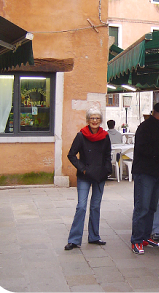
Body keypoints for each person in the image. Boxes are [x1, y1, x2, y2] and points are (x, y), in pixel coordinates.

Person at [131, 102, 159, 254]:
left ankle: (145, 236)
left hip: (158, 171)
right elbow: (142, 149)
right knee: (142, 206)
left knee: (152, 206)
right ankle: (136, 240)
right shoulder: (145, 127)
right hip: (145, 172)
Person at [65, 107, 112, 250]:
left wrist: (106, 171)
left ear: (101, 121)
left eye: (97, 118)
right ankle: (74, 239)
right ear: (87, 120)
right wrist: (83, 169)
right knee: (81, 206)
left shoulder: (105, 136)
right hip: (85, 175)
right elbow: (71, 155)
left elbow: (107, 156)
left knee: (96, 206)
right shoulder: (81, 135)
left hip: (100, 176)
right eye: (92, 118)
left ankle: (94, 236)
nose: (95, 121)